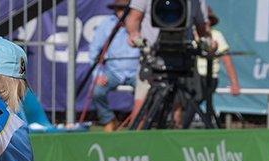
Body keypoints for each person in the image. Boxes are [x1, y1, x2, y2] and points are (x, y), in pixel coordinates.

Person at [126, 0, 211, 128]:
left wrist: (208, 42)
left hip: (182, 60)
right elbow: (133, 18)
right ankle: (134, 146)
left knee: (176, 116)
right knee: (141, 113)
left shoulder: (197, 2)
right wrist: (133, 33)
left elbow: (203, 28)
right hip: (152, 60)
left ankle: (171, 146)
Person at [183, 5, 240, 128]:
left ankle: (186, 127)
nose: (204, 21)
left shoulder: (217, 36)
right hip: (191, 76)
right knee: (189, 102)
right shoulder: (190, 36)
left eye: (206, 19)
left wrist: (234, 82)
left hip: (208, 77)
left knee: (196, 100)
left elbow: (227, 61)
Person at [88, 0, 139, 132]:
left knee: (149, 93)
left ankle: (139, 123)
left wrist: (144, 69)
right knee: (96, 91)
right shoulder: (107, 24)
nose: (122, 11)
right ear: (114, 8)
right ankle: (109, 120)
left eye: (125, 8)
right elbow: (94, 50)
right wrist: (97, 75)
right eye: (119, 8)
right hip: (114, 72)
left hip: (137, 72)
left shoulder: (140, 23)